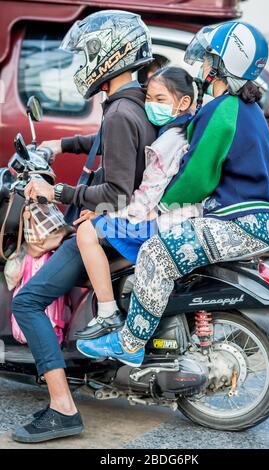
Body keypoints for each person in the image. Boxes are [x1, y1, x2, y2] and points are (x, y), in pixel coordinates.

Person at [76, 21, 269, 368]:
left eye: (209, 59)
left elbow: (196, 177)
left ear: (223, 64)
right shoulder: (241, 107)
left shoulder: (224, 110)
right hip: (256, 215)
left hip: (244, 221)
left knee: (156, 254)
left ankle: (130, 342)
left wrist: (156, 208)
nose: (203, 66)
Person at [11, 10, 156, 444]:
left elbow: (117, 193)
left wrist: (58, 194)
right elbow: (110, 145)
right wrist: (60, 144)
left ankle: (62, 408)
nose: (82, 64)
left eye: (87, 54)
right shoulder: (136, 103)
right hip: (129, 225)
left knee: (28, 301)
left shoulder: (118, 114)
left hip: (111, 226)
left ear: (111, 54)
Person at [73, 67, 202, 346]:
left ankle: (107, 312)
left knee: (87, 232)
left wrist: (107, 212)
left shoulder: (167, 142)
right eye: (149, 99)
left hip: (164, 220)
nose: (151, 106)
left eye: (159, 98)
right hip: (182, 216)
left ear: (183, 103)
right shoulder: (185, 130)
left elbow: (146, 196)